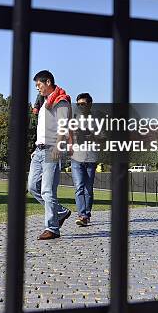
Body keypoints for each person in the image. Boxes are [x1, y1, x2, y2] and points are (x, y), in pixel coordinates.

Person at [27, 70, 72, 240]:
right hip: (39, 149)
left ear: (47, 82)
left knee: (47, 190)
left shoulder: (60, 101)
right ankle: (60, 212)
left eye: (39, 84)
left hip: (52, 148)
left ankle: (52, 228)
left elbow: (63, 126)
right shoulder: (44, 101)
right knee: (32, 187)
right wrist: (37, 146)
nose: (37, 88)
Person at [70, 93, 99, 227]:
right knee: (79, 187)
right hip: (76, 158)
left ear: (89, 104)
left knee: (88, 188)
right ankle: (82, 215)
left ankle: (87, 214)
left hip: (91, 158)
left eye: (83, 104)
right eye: (78, 104)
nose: (80, 106)